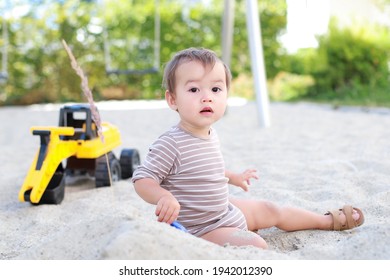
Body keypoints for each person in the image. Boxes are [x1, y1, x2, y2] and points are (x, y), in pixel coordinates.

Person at [131, 47, 364, 249]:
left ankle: (324, 221)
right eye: (193, 90)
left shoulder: (210, 133)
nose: (206, 98)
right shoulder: (171, 142)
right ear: (172, 100)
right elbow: (142, 179)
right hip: (198, 228)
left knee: (271, 209)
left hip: (224, 210)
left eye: (215, 89)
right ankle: (237, 238)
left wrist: (233, 177)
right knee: (256, 245)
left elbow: (201, 171)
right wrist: (164, 197)